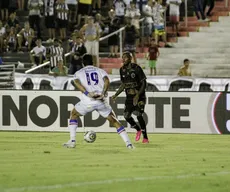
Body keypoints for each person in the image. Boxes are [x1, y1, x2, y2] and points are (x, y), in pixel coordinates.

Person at [63, 54, 134, 149]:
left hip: (88, 101)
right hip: (101, 101)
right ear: (93, 62)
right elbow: (107, 81)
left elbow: (76, 82)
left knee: (74, 114)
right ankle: (129, 144)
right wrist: (103, 93)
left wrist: (88, 93)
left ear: (83, 63)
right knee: (114, 120)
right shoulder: (100, 71)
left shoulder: (79, 72)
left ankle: (72, 141)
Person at [112, 52, 149, 143]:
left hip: (139, 96)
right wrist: (116, 95)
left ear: (130, 58)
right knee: (126, 116)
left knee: (139, 114)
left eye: (125, 57)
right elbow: (123, 84)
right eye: (122, 57)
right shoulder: (122, 70)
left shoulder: (136, 68)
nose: (123, 59)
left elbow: (144, 83)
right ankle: (138, 130)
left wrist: (137, 95)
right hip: (129, 97)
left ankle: (145, 138)